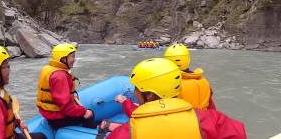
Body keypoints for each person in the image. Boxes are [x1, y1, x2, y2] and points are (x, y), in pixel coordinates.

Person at [105, 58, 247, 139]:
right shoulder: (212, 119)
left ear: (150, 95)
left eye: (137, 88)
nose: (134, 92)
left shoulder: (127, 132)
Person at [36, 43, 95, 130]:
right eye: (72, 56)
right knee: (90, 114)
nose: (74, 59)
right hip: (57, 118)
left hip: (48, 113)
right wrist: (84, 112)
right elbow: (66, 107)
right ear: (63, 58)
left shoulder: (48, 69)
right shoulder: (60, 76)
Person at [164, 44, 216, 110]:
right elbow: (212, 109)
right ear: (188, 60)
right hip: (205, 118)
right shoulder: (204, 81)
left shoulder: (169, 86)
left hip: (185, 119)